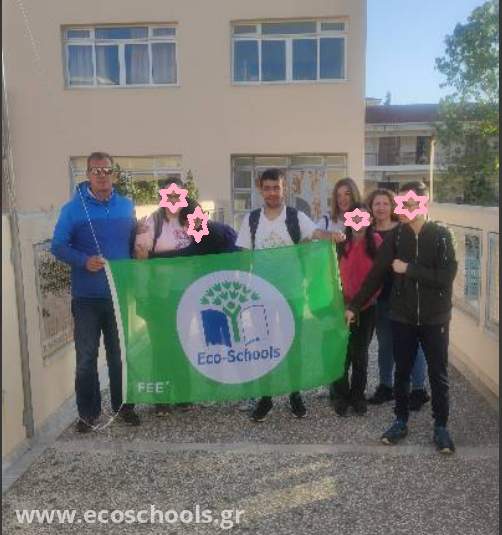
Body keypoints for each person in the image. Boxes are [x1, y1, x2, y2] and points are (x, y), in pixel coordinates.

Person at [346, 181, 457, 454]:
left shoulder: (442, 235)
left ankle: (441, 427)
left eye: (409, 203)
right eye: (401, 203)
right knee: (402, 372)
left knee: (438, 373)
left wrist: (408, 269)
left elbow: (445, 277)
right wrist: (354, 306)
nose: (404, 208)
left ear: (423, 204)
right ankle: (400, 421)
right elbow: (375, 275)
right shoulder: (396, 237)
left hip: (435, 318)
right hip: (402, 316)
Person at [51, 152, 140, 433]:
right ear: (88, 174)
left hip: (118, 295)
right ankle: (88, 414)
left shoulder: (126, 206)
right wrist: (83, 261)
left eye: (106, 170)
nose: (102, 176)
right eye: (96, 171)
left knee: (120, 356)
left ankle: (124, 406)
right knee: (87, 359)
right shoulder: (72, 209)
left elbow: (133, 244)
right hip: (87, 299)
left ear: (113, 173)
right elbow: (58, 245)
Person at [236, 168, 318, 422]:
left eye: (277, 188)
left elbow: (314, 238)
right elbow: (243, 259)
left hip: (292, 294)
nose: (272, 193)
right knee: (264, 347)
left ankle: (295, 395)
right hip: (261, 296)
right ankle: (266, 397)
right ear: (261, 190)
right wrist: (243, 291)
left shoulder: (296, 217)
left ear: (285, 189)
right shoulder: (251, 220)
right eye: (267, 188)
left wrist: (335, 236)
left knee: (293, 346)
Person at [366, 189, 430, 410]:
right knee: (385, 344)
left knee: (413, 344)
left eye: (385, 203)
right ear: (371, 207)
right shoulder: (367, 232)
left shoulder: (403, 229)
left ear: (393, 206)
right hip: (381, 297)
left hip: (406, 299)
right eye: (377, 204)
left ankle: (419, 389)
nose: (381, 207)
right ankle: (386, 386)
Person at [134, 179, 194, 416]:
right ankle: (162, 400)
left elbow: (206, 248)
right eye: (169, 195)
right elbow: (141, 259)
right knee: (161, 346)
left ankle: (184, 396)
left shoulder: (192, 220)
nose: (173, 199)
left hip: (186, 295)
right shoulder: (152, 223)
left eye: (177, 195)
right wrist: (142, 296)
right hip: (160, 296)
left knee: (182, 344)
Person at [331, 203, 382, 416]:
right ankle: (340, 395)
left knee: (360, 355)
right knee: (340, 355)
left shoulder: (377, 242)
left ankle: (357, 395)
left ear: (369, 219)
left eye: (362, 216)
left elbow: (378, 277)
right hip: (340, 308)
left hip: (366, 308)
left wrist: (358, 304)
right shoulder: (340, 243)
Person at [316, 177, 361, 243]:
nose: (342, 199)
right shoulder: (326, 220)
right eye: (338, 195)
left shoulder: (364, 220)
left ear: (354, 195)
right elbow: (311, 238)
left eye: (347, 194)